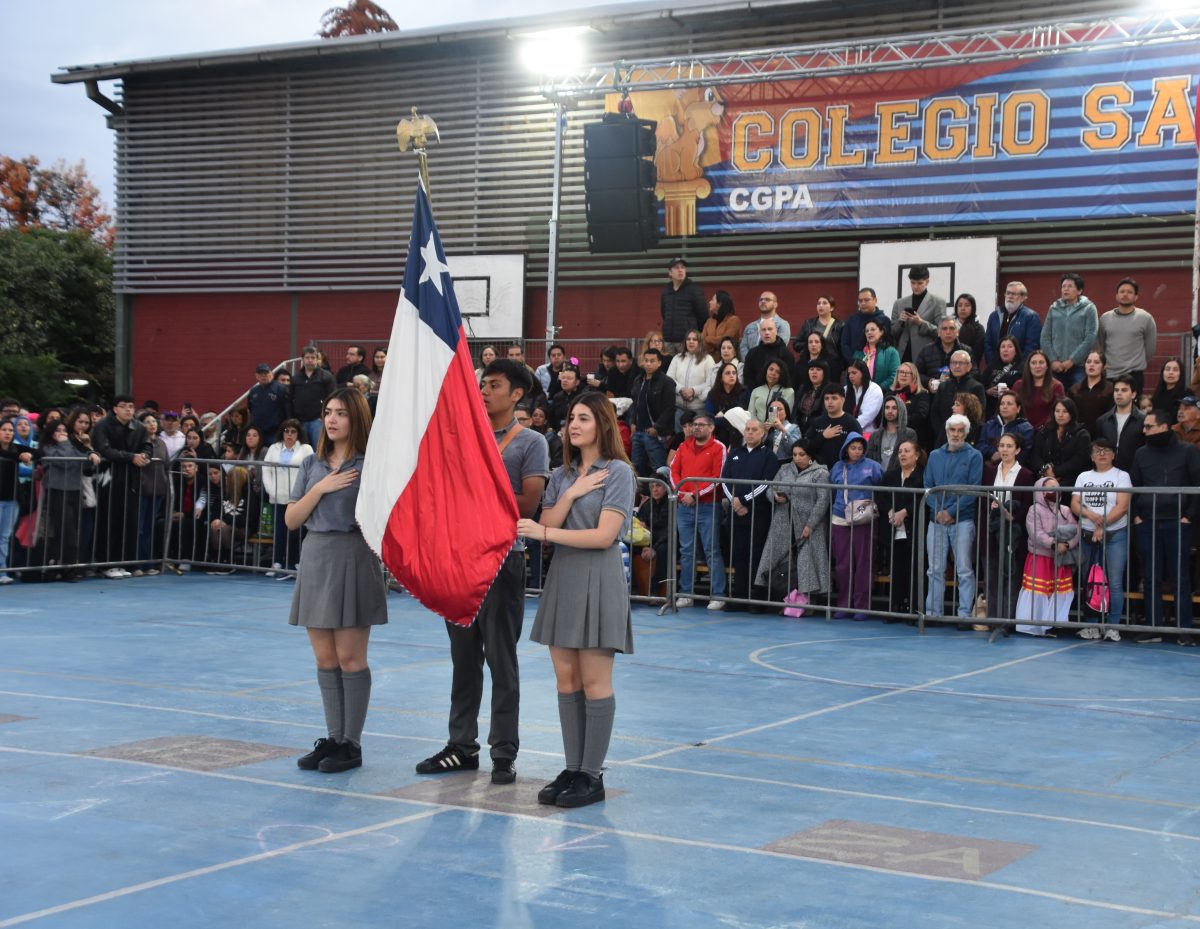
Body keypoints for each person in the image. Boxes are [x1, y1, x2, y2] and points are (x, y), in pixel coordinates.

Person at [418, 360, 549, 783]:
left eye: (494, 385)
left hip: (501, 561)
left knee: (501, 660)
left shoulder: (531, 442)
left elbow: (528, 505)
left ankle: (504, 752)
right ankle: (461, 746)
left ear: (516, 394)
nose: (484, 391)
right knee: (463, 659)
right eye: (482, 384)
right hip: (460, 559)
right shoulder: (462, 438)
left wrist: (474, 492)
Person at [516, 392, 637, 808]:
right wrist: (570, 494)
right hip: (564, 576)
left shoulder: (619, 472)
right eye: (571, 418)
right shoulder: (563, 473)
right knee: (566, 681)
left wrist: (546, 533)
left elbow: (604, 536)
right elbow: (546, 518)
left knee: (594, 681)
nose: (574, 425)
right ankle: (573, 767)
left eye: (583, 418)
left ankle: (592, 774)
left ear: (602, 424)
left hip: (598, 576)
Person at [286, 387, 388, 774]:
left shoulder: (371, 465)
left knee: (350, 657)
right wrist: (320, 488)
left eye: (341, 413)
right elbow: (292, 519)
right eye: (328, 411)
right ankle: (333, 736)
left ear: (356, 418)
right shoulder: (312, 464)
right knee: (325, 658)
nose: (331, 419)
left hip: (353, 556)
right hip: (316, 556)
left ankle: (351, 743)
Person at [1131, 409, 1200, 644]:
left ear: (1163, 427)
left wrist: (1188, 516)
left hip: (1177, 522)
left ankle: (1184, 630)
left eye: (1148, 426)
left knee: (1181, 577)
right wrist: (1138, 516)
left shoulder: (1188, 451)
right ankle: (1154, 627)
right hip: (1148, 522)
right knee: (1151, 577)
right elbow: (1135, 485)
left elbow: (1196, 484)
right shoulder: (1141, 454)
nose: (1144, 430)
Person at [755, 439, 830, 610]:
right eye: (795, 454)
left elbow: (823, 500)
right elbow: (770, 488)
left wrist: (811, 524)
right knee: (779, 560)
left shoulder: (820, 473)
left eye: (801, 455)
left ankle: (809, 602)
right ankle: (785, 599)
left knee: (808, 562)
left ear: (810, 456)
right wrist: (774, 497)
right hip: (783, 521)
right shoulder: (784, 469)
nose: (797, 458)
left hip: (808, 524)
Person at [924, 414, 983, 622]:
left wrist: (950, 512)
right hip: (936, 520)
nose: (956, 434)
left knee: (964, 570)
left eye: (960, 431)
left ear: (966, 433)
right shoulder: (933, 456)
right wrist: (939, 511)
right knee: (935, 570)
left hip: (963, 521)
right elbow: (928, 487)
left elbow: (973, 489)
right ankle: (933, 614)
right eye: (953, 430)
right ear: (947, 431)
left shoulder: (975, 456)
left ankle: (965, 615)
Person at [1071, 437, 1131, 638]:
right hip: (1087, 534)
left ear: (1113, 454)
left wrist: (1102, 525)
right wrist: (1092, 517)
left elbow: (1122, 506)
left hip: (1115, 535)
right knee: (1089, 580)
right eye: (1097, 451)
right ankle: (1092, 625)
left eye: (1106, 450)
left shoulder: (1122, 476)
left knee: (1114, 581)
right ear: (1091, 456)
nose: (1102, 454)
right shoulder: (1083, 477)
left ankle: (1113, 626)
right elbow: (1075, 504)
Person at [721, 418, 781, 610]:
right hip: (736, 513)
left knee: (756, 555)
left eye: (754, 430)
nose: (750, 433)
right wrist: (735, 502)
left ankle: (756, 597)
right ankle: (739, 596)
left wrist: (744, 500)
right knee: (738, 555)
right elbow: (725, 480)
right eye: (747, 429)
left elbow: (766, 483)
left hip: (758, 513)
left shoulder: (768, 456)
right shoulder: (735, 453)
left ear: (762, 433)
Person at [672, 410, 728, 610]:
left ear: (711, 427)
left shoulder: (718, 448)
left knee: (711, 550)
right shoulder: (682, 446)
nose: (696, 428)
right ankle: (686, 593)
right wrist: (681, 495)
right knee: (686, 551)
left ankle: (718, 594)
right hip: (684, 505)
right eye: (694, 425)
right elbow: (673, 472)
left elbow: (718, 478)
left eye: (701, 425)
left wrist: (695, 495)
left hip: (708, 505)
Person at [92, 395, 151, 579]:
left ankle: (125, 562)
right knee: (109, 521)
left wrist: (144, 456)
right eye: (124, 406)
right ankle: (106, 562)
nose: (128, 410)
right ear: (115, 408)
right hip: (109, 478)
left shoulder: (139, 427)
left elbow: (147, 446)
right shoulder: (103, 425)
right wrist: (130, 457)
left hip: (132, 479)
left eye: (131, 406)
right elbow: (105, 450)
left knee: (130, 522)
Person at [980, 433, 1036, 625]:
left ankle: (1007, 622)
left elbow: (1028, 505)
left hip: (1013, 534)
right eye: (1001, 445)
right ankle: (993, 620)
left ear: (1018, 450)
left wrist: (1011, 516)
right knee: (992, 577)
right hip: (991, 531)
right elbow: (983, 500)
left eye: (1009, 446)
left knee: (1011, 577)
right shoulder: (988, 471)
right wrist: (992, 508)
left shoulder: (1026, 475)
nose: (1004, 450)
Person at [1014, 477, 1080, 636]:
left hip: (1061, 558)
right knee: (1039, 591)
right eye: (1050, 488)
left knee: (1059, 591)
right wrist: (1053, 544)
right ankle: (1033, 625)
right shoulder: (1034, 509)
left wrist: (1068, 545)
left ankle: (1053, 624)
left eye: (1057, 487)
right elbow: (1036, 533)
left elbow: (1076, 530)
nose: (1055, 491)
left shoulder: (1064, 510)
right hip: (1041, 557)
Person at [37, 413, 99, 579]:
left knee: (73, 531)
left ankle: (68, 566)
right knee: (65, 531)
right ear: (51, 433)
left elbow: (82, 461)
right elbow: (63, 461)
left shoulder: (71, 445)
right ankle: (64, 567)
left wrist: (90, 453)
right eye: (58, 430)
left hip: (74, 490)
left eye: (64, 430)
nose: (62, 433)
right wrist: (65, 444)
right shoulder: (48, 447)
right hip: (57, 490)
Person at [829, 431, 883, 620]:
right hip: (840, 518)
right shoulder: (837, 467)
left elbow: (882, 489)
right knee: (843, 564)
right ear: (846, 449)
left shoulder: (874, 467)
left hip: (864, 520)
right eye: (853, 448)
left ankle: (862, 605)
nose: (857, 451)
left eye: (860, 448)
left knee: (863, 563)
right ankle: (844, 603)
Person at [262, 419, 313, 576]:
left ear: (298, 434)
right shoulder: (273, 448)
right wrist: (271, 490)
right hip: (278, 496)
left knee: (297, 532)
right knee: (279, 531)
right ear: (282, 433)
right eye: (286, 431)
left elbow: (311, 472)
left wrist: (304, 493)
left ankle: (296, 563)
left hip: (298, 498)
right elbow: (266, 470)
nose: (289, 435)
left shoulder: (306, 449)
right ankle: (277, 562)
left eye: (293, 431)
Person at [880, 439, 925, 616]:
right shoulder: (890, 475)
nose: (903, 455)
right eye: (900, 451)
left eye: (907, 451)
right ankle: (895, 608)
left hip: (913, 529)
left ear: (917, 454)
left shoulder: (923, 475)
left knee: (913, 570)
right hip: (893, 530)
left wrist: (905, 512)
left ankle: (913, 608)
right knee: (896, 570)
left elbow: (923, 499)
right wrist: (890, 511)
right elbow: (881, 496)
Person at [1097, 278, 1155, 396]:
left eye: (1129, 292)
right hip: (1110, 375)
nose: (1125, 294)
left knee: (1133, 412)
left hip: (1134, 375)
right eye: (1122, 291)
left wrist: (1136, 364)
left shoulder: (1145, 318)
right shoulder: (1105, 319)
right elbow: (1100, 345)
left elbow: (1150, 349)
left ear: (1136, 297)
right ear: (1116, 296)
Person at [1042, 272, 1098, 389]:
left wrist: (1072, 360)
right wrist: (1052, 361)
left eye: (1070, 286)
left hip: (1079, 366)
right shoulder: (1054, 308)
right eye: (1063, 286)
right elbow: (1045, 337)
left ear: (1079, 291)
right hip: (1056, 366)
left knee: (1077, 399)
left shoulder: (1089, 308)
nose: (1065, 289)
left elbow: (1090, 337)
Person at [627, 348, 676, 478]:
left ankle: (662, 497)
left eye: (652, 361)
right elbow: (634, 404)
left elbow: (669, 409)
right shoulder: (638, 380)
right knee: (636, 468)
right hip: (638, 431)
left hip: (655, 434)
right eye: (646, 361)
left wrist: (656, 428)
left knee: (658, 469)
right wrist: (632, 422)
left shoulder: (667, 382)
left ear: (659, 363)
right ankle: (640, 497)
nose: (648, 364)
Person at [890, 265, 948, 364]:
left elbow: (941, 331)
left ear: (927, 282)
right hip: (902, 355)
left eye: (920, 283)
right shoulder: (899, 303)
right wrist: (900, 322)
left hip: (927, 355)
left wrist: (921, 323)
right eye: (913, 283)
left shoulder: (938, 302)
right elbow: (892, 333)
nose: (916, 286)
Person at [1031, 397, 1091, 490]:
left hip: (1072, 482)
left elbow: (1079, 459)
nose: (1060, 415)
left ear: (1072, 413)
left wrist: (1055, 472)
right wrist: (1045, 471)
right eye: (1057, 411)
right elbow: (1035, 455)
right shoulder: (1044, 432)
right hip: (1045, 480)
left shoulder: (1081, 434)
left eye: (1065, 411)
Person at [929, 351, 986, 447]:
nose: (957, 366)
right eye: (954, 363)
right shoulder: (943, 386)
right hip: (943, 436)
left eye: (961, 363)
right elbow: (934, 412)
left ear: (969, 366)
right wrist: (944, 431)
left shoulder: (976, 387)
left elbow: (979, 415)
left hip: (967, 437)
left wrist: (962, 432)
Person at [984, 281, 1042, 369]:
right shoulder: (994, 316)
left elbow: (1031, 346)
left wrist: (1018, 366)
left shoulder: (1031, 317)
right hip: (995, 367)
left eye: (1014, 294)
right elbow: (987, 343)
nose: (1010, 296)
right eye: (1008, 293)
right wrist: (993, 364)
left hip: (1019, 369)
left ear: (1023, 298)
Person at [1095, 376, 1145, 474]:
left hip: (1135, 473)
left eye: (1124, 390)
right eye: (1116, 390)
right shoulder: (1102, 421)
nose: (1119, 393)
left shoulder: (1143, 420)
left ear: (1133, 394)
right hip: (1107, 473)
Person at [667, 330, 716, 424]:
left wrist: (693, 391)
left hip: (699, 410)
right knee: (680, 437)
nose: (691, 341)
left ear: (700, 342)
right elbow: (669, 379)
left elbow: (710, 382)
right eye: (688, 339)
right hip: (679, 408)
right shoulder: (677, 358)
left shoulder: (708, 359)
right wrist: (681, 389)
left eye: (695, 339)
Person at [804, 389, 861, 468]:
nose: (829, 402)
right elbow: (808, 448)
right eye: (826, 398)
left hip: (844, 470)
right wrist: (823, 436)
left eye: (834, 398)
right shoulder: (817, 422)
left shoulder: (852, 423)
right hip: (819, 470)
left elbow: (859, 450)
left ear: (843, 400)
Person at [978, 391, 1034, 467]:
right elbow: (980, 445)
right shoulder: (989, 425)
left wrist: (1001, 456)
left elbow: (1023, 454)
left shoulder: (1026, 429)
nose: (1004, 406)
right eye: (1002, 404)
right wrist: (992, 453)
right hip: (989, 467)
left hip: (1014, 470)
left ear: (1018, 408)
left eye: (1009, 404)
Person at [661, 257, 707, 349]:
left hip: (687, 341)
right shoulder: (666, 292)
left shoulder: (694, 290)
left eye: (683, 267)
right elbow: (664, 314)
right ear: (670, 272)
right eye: (677, 268)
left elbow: (703, 315)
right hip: (668, 340)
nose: (680, 270)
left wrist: (695, 335)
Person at [1013, 349, 1064, 431]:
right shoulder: (1018, 385)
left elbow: (1057, 412)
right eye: (1033, 363)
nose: (1037, 366)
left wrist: (1040, 428)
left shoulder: (1057, 386)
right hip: (1021, 431)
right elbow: (1013, 410)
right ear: (1029, 366)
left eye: (1041, 362)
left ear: (1047, 366)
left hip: (1047, 432)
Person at [865, 395, 916, 473]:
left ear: (900, 410)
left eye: (894, 408)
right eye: (887, 407)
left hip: (897, 481)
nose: (890, 411)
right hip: (877, 480)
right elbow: (868, 460)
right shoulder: (875, 435)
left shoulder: (909, 434)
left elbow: (911, 461)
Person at [841, 288, 891, 365]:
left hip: (879, 364)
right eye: (860, 301)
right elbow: (845, 344)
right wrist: (853, 360)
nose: (863, 303)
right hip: (855, 364)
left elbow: (889, 343)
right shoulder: (851, 320)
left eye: (866, 300)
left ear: (875, 300)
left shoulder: (884, 320)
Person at [705, 362, 748, 450]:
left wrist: (722, 416)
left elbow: (743, 415)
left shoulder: (744, 392)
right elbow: (709, 418)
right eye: (728, 373)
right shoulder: (713, 394)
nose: (732, 375)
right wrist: (728, 417)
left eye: (734, 373)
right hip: (719, 432)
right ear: (721, 377)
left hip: (739, 432)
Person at [890, 362, 933, 450]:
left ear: (914, 376)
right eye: (901, 372)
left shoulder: (922, 394)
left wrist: (898, 421)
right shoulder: (890, 394)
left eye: (907, 373)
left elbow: (920, 416)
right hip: (891, 435)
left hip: (912, 438)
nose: (903, 375)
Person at [1069, 351, 1114, 434]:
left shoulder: (1111, 389)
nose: (1091, 365)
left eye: (1096, 362)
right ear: (1085, 365)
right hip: (1078, 436)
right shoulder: (1074, 389)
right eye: (1088, 362)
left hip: (1101, 437)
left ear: (1104, 366)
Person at [917, 317, 969, 388]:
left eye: (952, 328)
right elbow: (916, 373)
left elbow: (973, 373)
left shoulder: (966, 350)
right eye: (944, 329)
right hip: (932, 394)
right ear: (938, 333)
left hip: (959, 392)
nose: (948, 332)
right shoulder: (926, 350)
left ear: (957, 332)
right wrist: (929, 382)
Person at [742, 317, 793, 390]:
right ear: (760, 333)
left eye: (770, 329)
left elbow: (790, 379)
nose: (767, 332)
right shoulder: (752, 354)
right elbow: (748, 379)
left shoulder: (786, 354)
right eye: (763, 330)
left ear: (776, 331)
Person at [740, 290, 792, 357]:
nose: (763, 301)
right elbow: (743, 348)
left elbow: (780, 347)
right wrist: (750, 362)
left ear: (775, 304)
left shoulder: (783, 325)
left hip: (772, 365)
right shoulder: (750, 327)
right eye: (761, 300)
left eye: (767, 299)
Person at [247, 363, 289, 444]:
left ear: (271, 374)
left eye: (266, 373)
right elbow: (250, 409)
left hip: (275, 432)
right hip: (258, 432)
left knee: (274, 455)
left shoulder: (281, 389)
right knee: (259, 455)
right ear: (256, 376)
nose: (263, 375)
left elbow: (287, 409)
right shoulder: (253, 391)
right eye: (261, 373)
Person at [853, 319, 900, 391]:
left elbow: (894, 375)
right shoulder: (858, 354)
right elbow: (851, 374)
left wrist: (877, 389)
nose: (869, 332)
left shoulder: (891, 352)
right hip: (859, 392)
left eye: (873, 329)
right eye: (867, 331)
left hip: (881, 393)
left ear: (881, 332)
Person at [982, 336, 1023, 418]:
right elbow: (981, 385)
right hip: (992, 410)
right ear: (999, 350)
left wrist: (1011, 393)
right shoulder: (991, 366)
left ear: (1016, 351)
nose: (1005, 349)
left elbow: (1027, 391)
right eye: (1003, 347)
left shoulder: (1022, 367)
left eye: (1010, 346)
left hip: (1013, 410)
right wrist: (987, 391)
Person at [795, 295, 844, 360]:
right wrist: (811, 345)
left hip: (832, 363)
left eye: (824, 303)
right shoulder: (808, 323)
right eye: (818, 303)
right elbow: (796, 344)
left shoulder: (839, 325)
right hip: (811, 362)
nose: (821, 306)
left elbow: (843, 348)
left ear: (832, 308)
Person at [793, 359, 834, 434]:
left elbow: (825, 416)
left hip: (818, 430)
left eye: (818, 369)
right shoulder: (803, 388)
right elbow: (795, 411)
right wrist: (795, 428)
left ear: (824, 373)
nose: (814, 372)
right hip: (799, 429)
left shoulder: (829, 390)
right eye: (811, 369)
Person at [701, 290, 742, 360]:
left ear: (719, 304)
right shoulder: (709, 321)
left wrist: (708, 338)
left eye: (712, 300)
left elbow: (725, 340)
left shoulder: (734, 320)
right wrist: (714, 343)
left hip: (728, 362)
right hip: (709, 361)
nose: (709, 302)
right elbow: (701, 341)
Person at [951, 293, 986, 371]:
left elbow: (977, 354)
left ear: (973, 308)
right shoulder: (949, 327)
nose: (963, 308)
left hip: (969, 368)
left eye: (967, 305)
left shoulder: (978, 328)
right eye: (960, 305)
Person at [1150, 358, 1187, 425]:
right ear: (1162, 373)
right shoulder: (1157, 394)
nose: (1171, 372)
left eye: (1175, 370)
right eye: (1167, 369)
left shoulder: (1186, 395)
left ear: (1181, 374)